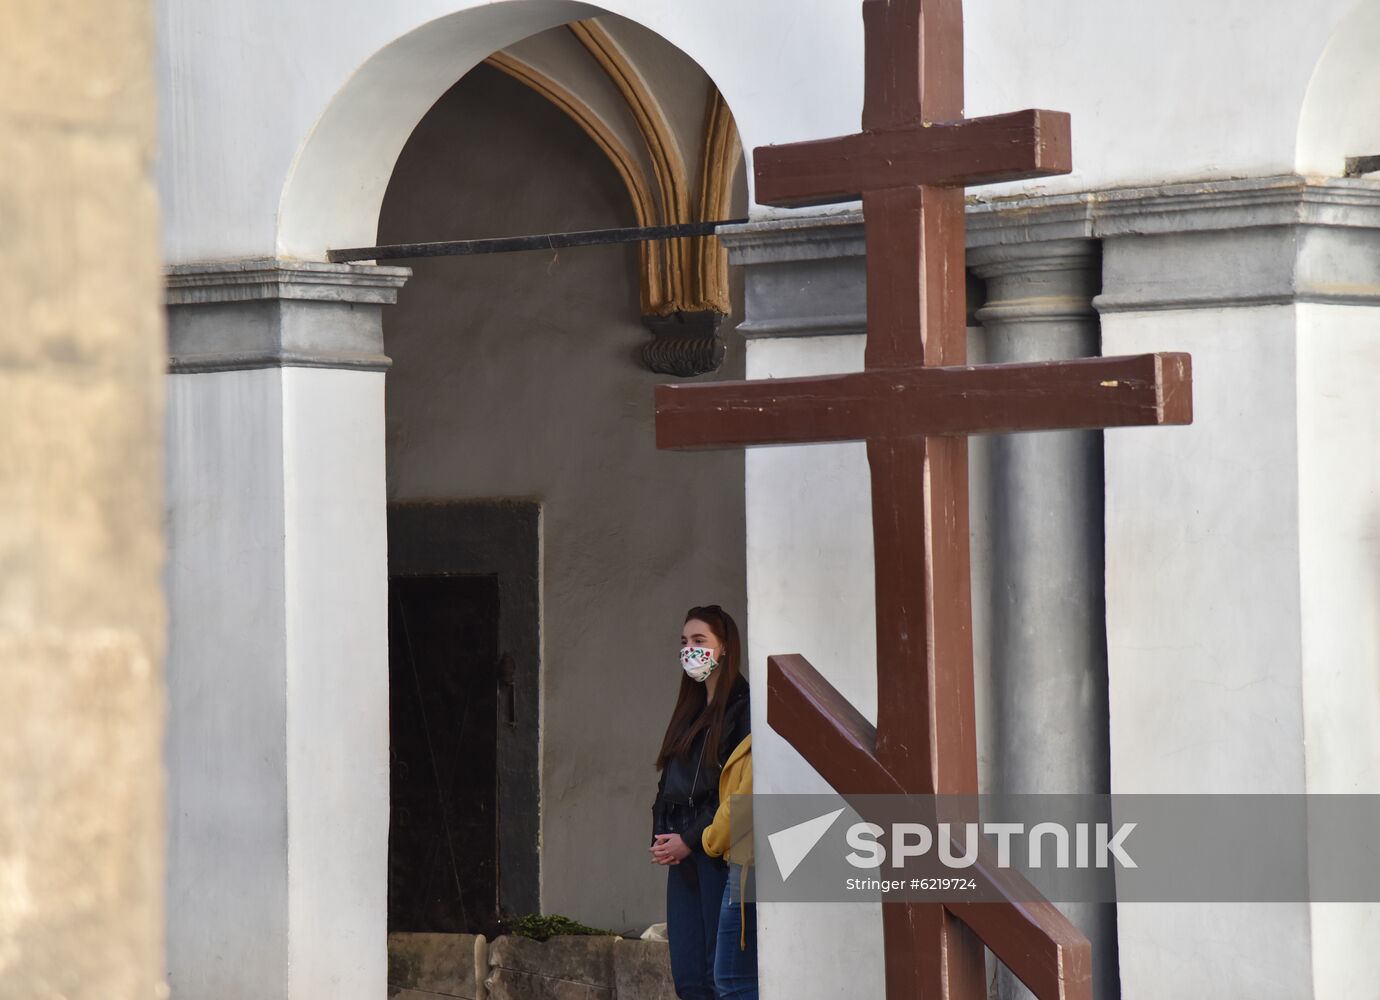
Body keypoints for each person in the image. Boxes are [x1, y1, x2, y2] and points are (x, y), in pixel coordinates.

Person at [650, 605, 750, 1000]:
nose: (689, 650)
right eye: (684, 642)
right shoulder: (689, 711)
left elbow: (734, 791)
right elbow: (667, 782)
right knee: (687, 976)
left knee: (717, 974)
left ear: (723, 647)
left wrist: (690, 839)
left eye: (699, 641)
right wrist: (661, 836)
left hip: (715, 853)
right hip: (682, 854)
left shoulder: (743, 708)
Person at [702, 732, 756, 999]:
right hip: (748, 862)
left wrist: (709, 838)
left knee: (733, 980)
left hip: (750, 865)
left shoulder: (766, 736)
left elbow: (741, 806)